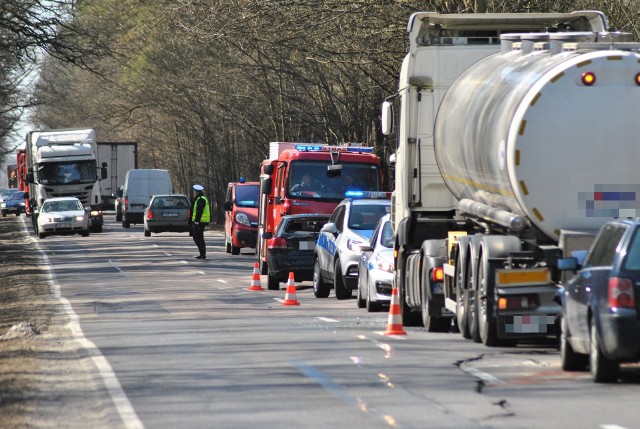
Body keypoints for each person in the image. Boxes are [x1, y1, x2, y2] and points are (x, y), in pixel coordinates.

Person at [189, 184, 210, 260]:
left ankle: (202, 254)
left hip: (200, 222)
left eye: (195, 191)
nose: (194, 193)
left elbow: (199, 211)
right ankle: (202, 254)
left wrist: (196, 222)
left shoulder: (201, 199)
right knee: (199, 237)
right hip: (200, 221)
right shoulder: (200, 198)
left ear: (197, 192)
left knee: (198, 237)